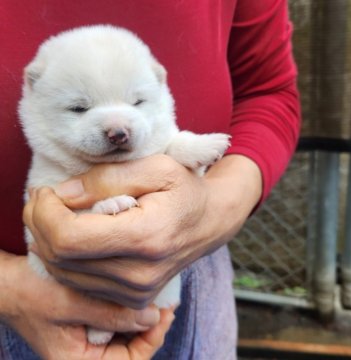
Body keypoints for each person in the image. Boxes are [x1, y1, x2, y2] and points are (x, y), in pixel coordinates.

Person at [0, 1, 301, 359]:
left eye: (138, 101)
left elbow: (267, 91)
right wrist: (10, 289)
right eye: (80, 109)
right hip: (24, 285)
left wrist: (212, 209)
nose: (117, 132)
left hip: (191, 264)